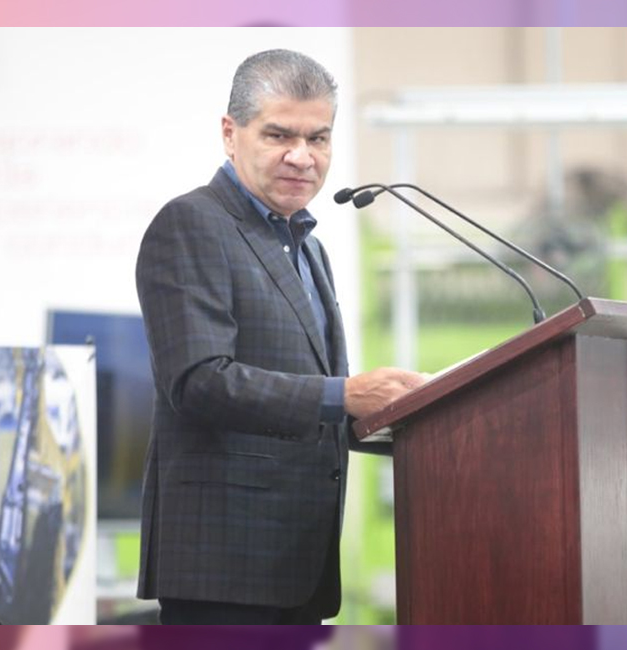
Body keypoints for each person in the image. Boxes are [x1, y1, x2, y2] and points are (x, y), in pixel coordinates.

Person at [135, 49, 426, 625]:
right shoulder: (192, 223)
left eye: (318, 138)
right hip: (223, 569)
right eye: (278, 135)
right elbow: (198, 381)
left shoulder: (308, 248)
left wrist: (418, 418)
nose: (302, 156)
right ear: (230, 133)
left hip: (297, 565)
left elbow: (320, 407)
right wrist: (344, 394)